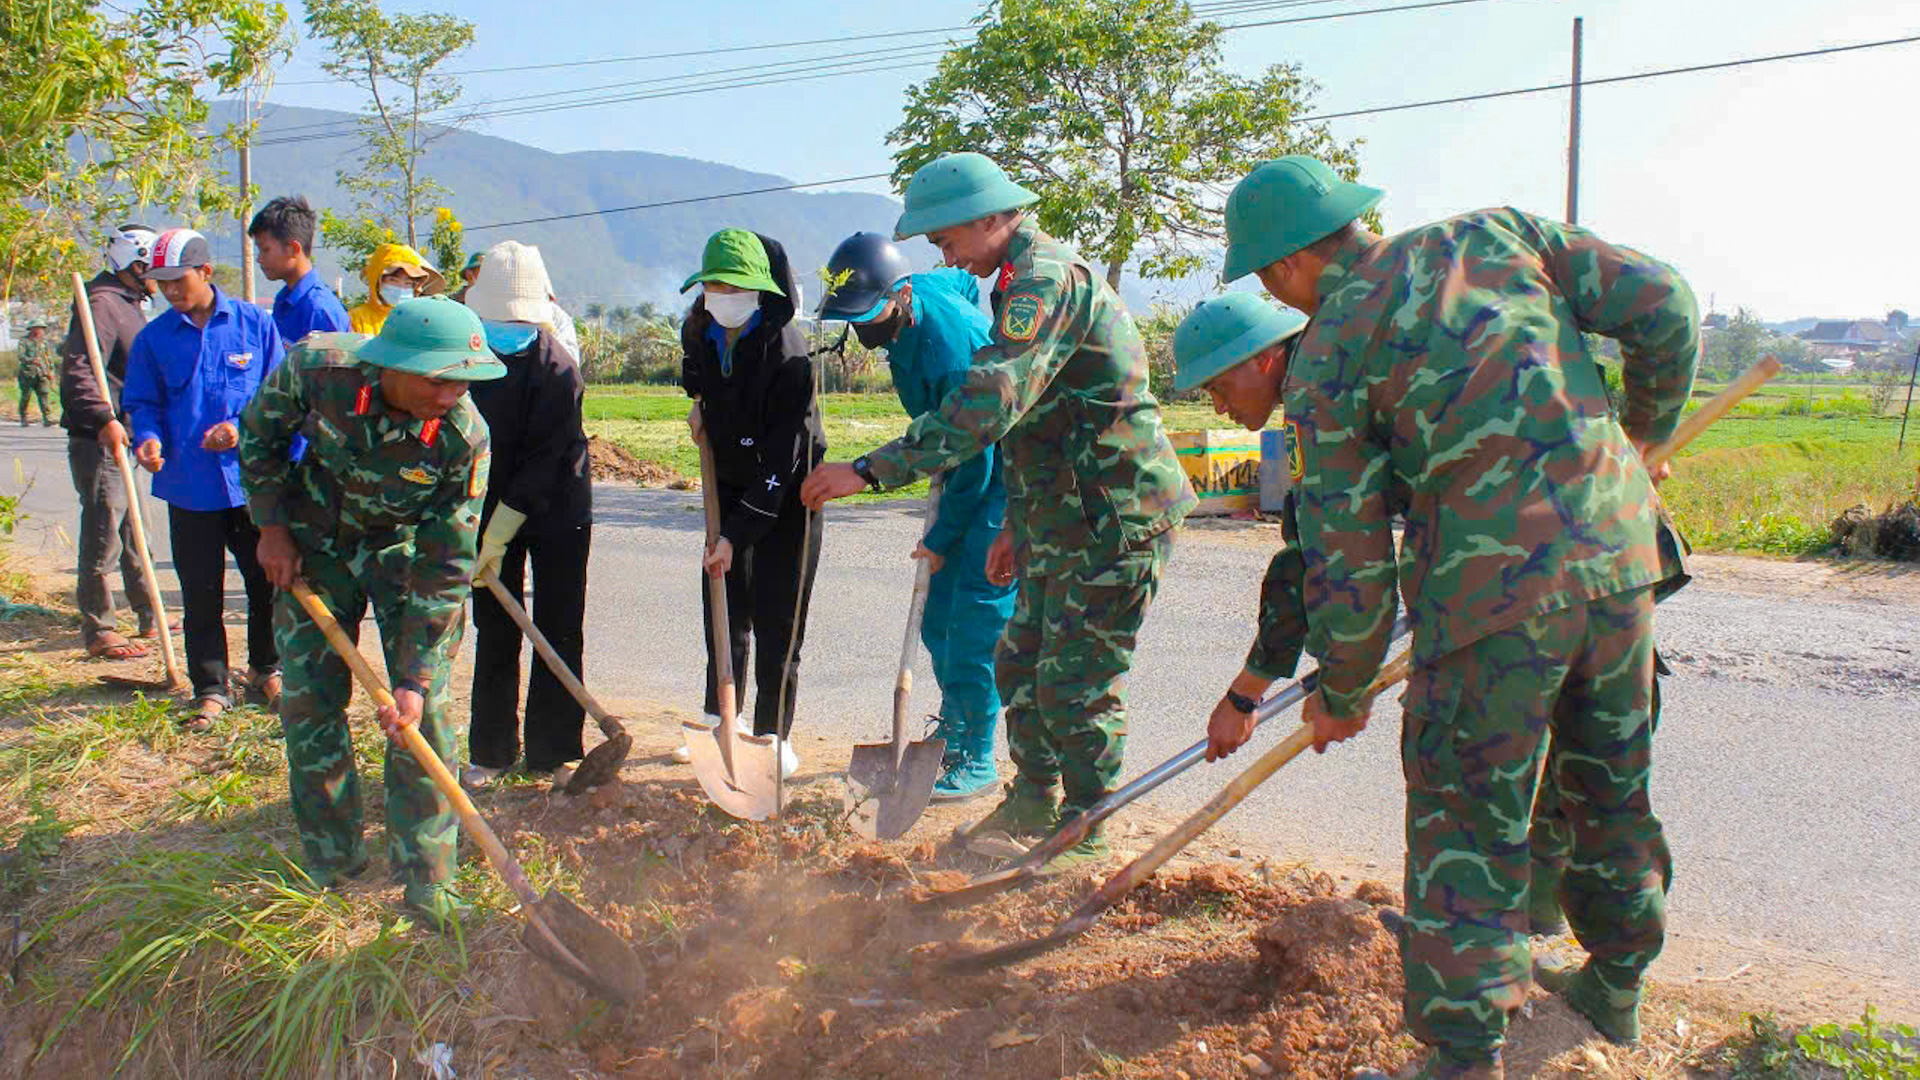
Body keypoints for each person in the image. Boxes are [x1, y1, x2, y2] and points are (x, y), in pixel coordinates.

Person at [1214, 155, 1699, 1079]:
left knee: (1467, 820)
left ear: (1283, 269)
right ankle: (1617, 983)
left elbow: (1348, 556)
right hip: (1623, 560)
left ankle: (1466, 1053)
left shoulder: (1326, 356)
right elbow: (1667, 301)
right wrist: (1645, 434)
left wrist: (1345, 689)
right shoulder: (1498, 234)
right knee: (1607, 784)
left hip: (1492, 599)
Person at [800, 153, 1196, 867]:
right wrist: (1018, 522)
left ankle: (1086, 824)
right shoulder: (1009, 280)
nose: (939, 253)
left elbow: (989, 405)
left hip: (1114, 513)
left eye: (946, 237)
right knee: (1019, 661)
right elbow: (1036, 417)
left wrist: (867, 470)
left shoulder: (1043, 280)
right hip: (1059, 513)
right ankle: (1034, 799)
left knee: (1075, 681)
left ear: (990, 218)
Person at [237, 297, 504, 930]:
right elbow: (260, 437)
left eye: (463, 379)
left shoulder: (464, 438)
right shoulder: (318, 369)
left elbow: (446, 566)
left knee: (425, 715)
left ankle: (428, 876)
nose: (452, 392)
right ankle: (333, 857)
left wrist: (413, 676)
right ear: (394, 365)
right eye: (439, 378)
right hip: (313, 547)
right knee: (310, 701)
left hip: (402, 553)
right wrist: (271, 526)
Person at [818, 231, 1014, 802]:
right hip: (956, 456)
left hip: (1000, 475)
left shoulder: (950, 356)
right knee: (936, 620)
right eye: (852, 317)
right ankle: (952, 732)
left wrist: (942, 538)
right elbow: (960, 280)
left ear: (899, 293)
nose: (862, 328)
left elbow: (973, 465)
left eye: (869, 313)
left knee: (972, 623)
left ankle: (975, 757)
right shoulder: (920, 290)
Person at [675, 228, 825, 778]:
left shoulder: (790, 356)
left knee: (777, 613)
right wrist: (701, 410)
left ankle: (772, 732)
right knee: (725, 603)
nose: (723, 295)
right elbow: (696, 381)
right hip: (731, 479)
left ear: (760, 289)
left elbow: (783, 462)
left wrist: (736, 535)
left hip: (789, 490)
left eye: (735, 285)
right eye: (714, 284)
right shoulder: (699, 330)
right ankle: (724, 718)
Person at [123, 228, 286, 729]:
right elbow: (142, 402)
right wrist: (146, 437)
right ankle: (211, 687)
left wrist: (241, 429)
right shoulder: (153, 340)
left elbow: (278, 396)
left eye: (178, 281)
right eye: (161, 283)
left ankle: (266, 669)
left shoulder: (254, 326)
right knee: (200, 592)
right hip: (189, 488)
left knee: (265, 582)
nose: (169, 291)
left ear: (206, 273)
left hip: (250, 482)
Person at [457, 241, 593, 790]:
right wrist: (473, 528)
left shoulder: (558, 368)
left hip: (559, 501)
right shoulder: (465, 361)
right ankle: (491, 749)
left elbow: (544, 460)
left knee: (559, 623)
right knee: (494, 625)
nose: (510, 327)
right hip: (485, 499)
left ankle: (554, 748)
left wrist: (501, 531)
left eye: (520, 318)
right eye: (500, 318)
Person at [58, 225, 163, 660]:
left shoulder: (130, 304)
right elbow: (80, 370)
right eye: (155, 268)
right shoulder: (102, 304)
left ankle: (149, 611)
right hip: (101, 439)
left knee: (137, 532)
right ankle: (99, 626)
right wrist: (104, 418)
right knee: (105, 531)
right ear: (135, 264)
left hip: (129, 435)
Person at [249, 195, 351, 345]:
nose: (259, 259)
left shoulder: (319, 310)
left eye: (265, 250)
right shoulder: (284, 301)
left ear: (293, 249)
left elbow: (334, 366)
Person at [347, 243, 445, 335]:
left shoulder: (420, 320)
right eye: (393, 280)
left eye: (408, 283)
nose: (401, 288)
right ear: (377, 282)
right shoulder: (355, 319)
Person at [15, 322, 56, 426]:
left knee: (44, 395)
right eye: (39, 328)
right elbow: (21, 356)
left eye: (42, 329)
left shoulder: (44, 343)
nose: (41, 331)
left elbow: (48, 358)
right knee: (26, 396)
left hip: (42, 374)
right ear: (32, 329)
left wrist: (51, 371)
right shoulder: (24, 341)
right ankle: (23, 417)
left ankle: (47, 418)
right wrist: (31, 360)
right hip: (28, 374)